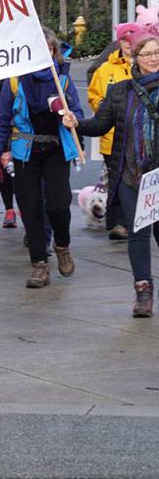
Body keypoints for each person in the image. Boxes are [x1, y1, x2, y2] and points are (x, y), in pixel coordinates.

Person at [0, 28, 83, 288]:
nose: (43, 55)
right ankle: (39, 264)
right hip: (25, 152)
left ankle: (62, 246)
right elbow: (1, 121)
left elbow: (78, 114)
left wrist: (72, 118)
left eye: (48, 50)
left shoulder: (62, 81)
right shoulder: (15, 80)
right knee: (30, 209)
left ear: (54, 52)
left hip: (55, 149)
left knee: (58, 205)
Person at [74, 32, 159, 316]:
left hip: (158, 177)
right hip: (130, 175)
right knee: (137, 234)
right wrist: (75, 123)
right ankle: (143, 292)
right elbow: (100, 125)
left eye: (157, 52)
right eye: (147, 54)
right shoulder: (120, 90)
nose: (153, 58)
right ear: (135, 59)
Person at [87, 22, 143, 241]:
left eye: (132, 41)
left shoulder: (144, 64)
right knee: (118, 180)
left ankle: (137, 220)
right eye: (125, 41)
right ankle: (118, 223)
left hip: (141, 138)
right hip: (113, 138)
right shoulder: (106, 69)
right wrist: (106, 108)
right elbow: (94, 97)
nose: (129, 45)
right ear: (118, 42)